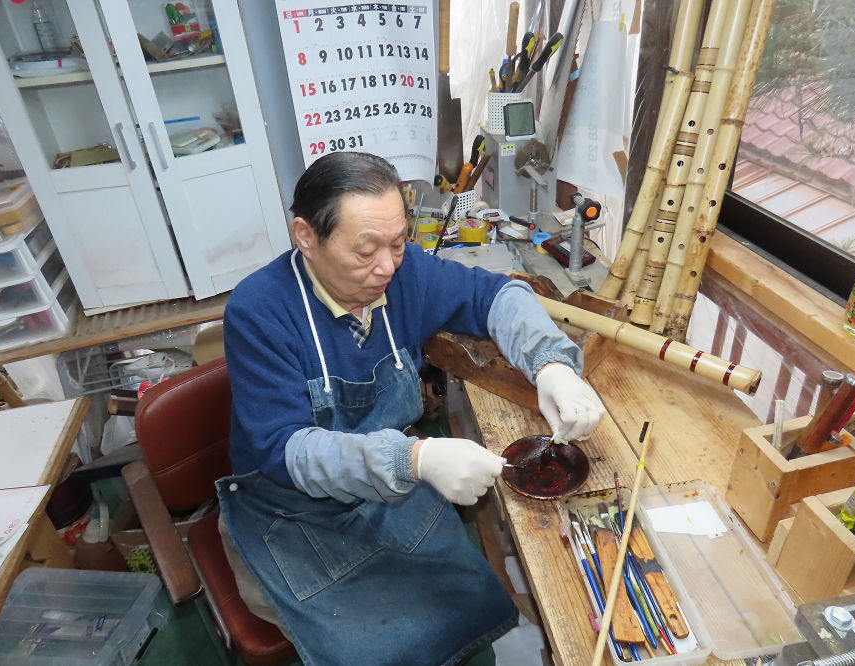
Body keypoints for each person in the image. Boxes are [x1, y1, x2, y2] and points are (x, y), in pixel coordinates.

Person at [217, 152, 605, 666]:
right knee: (386, 651)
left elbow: (497, 295)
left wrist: (551, 364)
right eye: (365, 250)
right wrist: (414, 459)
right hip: (293, 515)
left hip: (387, 494)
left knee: (470, 614)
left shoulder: (405, 274)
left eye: (398, 243)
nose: (387, 266)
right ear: (306, 236)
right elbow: (288, 452)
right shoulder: (259, 311)